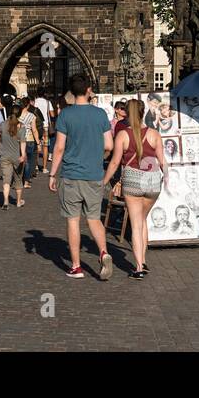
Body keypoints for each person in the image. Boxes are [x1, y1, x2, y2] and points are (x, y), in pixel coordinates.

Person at [48, 74, 115, 281]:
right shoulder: (100, 114)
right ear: (88, 90)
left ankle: (76, 267)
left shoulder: (66, 115)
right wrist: (98, 157)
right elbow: (109, 146)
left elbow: (59, 148)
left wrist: (52, 174)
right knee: (94, 219)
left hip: (71, 175)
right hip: (94, 174)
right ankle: (103, 252)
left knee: (73, 220)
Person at [103, 97, 168, 278]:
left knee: (136, 224)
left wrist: (104, 180)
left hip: (133, 181)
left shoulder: (123, 135)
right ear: (143, 113)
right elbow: (162, 162)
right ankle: (144, 259)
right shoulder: (154, 134)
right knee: (143, 220)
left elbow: (115, 162)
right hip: (153, 182)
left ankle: (139, 267)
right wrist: (169, 179)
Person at [0, 96, 27, 208]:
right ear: (19, 114)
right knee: (18, 179)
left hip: (4, 156)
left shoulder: (3, 124)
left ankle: (5, 202)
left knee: (6, 179)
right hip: (17, 156)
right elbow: (23, 142)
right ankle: (18, 202)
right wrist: (23, 154)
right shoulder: (21, 127)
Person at [18, 97, 41, 188]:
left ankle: (18, 179)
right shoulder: (32, 116)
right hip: (29, 139)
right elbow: (34, 130)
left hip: (19, 139)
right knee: (28, 161)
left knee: (19, 160)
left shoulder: (17, 115)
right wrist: (38, 143)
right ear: (28, 105)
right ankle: (26, 182)